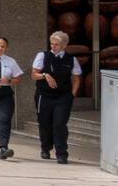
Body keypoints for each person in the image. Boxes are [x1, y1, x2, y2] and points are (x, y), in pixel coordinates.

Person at [33, 30, 82, 165]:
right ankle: (46, 148)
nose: (53, 46)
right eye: (52, 44)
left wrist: (72, 94)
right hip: (44, 95)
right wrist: (45, 75)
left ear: (64, 45)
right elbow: (34, 75)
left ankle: (61, 153)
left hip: (63, 97)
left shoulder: (71, 59)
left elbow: (77, 78)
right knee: (45, 123)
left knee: (60, 124)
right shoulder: (42, 56)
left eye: (57, 44)